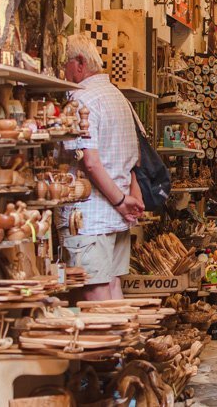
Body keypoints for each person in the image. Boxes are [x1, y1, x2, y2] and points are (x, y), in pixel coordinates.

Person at [58, 33, 145, 301]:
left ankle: (113, 343)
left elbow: (91, 161)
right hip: (116, 218)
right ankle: (124, 343)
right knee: (112, 286)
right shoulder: (119, 98)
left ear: (80, 63)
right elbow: (132, 161)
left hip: (90, 217)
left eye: (65, 64)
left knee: (94, 293)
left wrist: (121, 201)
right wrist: (130, 200)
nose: (63, 71)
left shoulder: (83, 100)